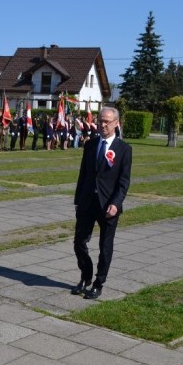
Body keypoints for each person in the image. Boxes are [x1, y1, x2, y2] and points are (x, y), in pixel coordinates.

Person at [72, 107, 132, 300]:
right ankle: (86, 275)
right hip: (87, 202)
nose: (103, 125)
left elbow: (124, 181)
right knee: (79, 242)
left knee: (105, 247)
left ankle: (99, 283)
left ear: (116, 123)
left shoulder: (124, 149)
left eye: (107, 121)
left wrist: (116, 203)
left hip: (108, 206)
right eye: (101, 121)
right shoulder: (90, 145)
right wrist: (78, 200)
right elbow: (83, 174)